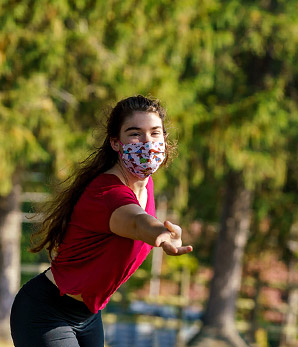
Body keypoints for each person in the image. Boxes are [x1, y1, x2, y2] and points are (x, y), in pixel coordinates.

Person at [10, 95, 193, 347]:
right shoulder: (107, 194)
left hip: (89, 317)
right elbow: (136, 222)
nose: (147, 142)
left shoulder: (146, 185)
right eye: (135, 134)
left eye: (155, 133)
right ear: (116, 143)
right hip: (46, 312)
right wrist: (159, 232)